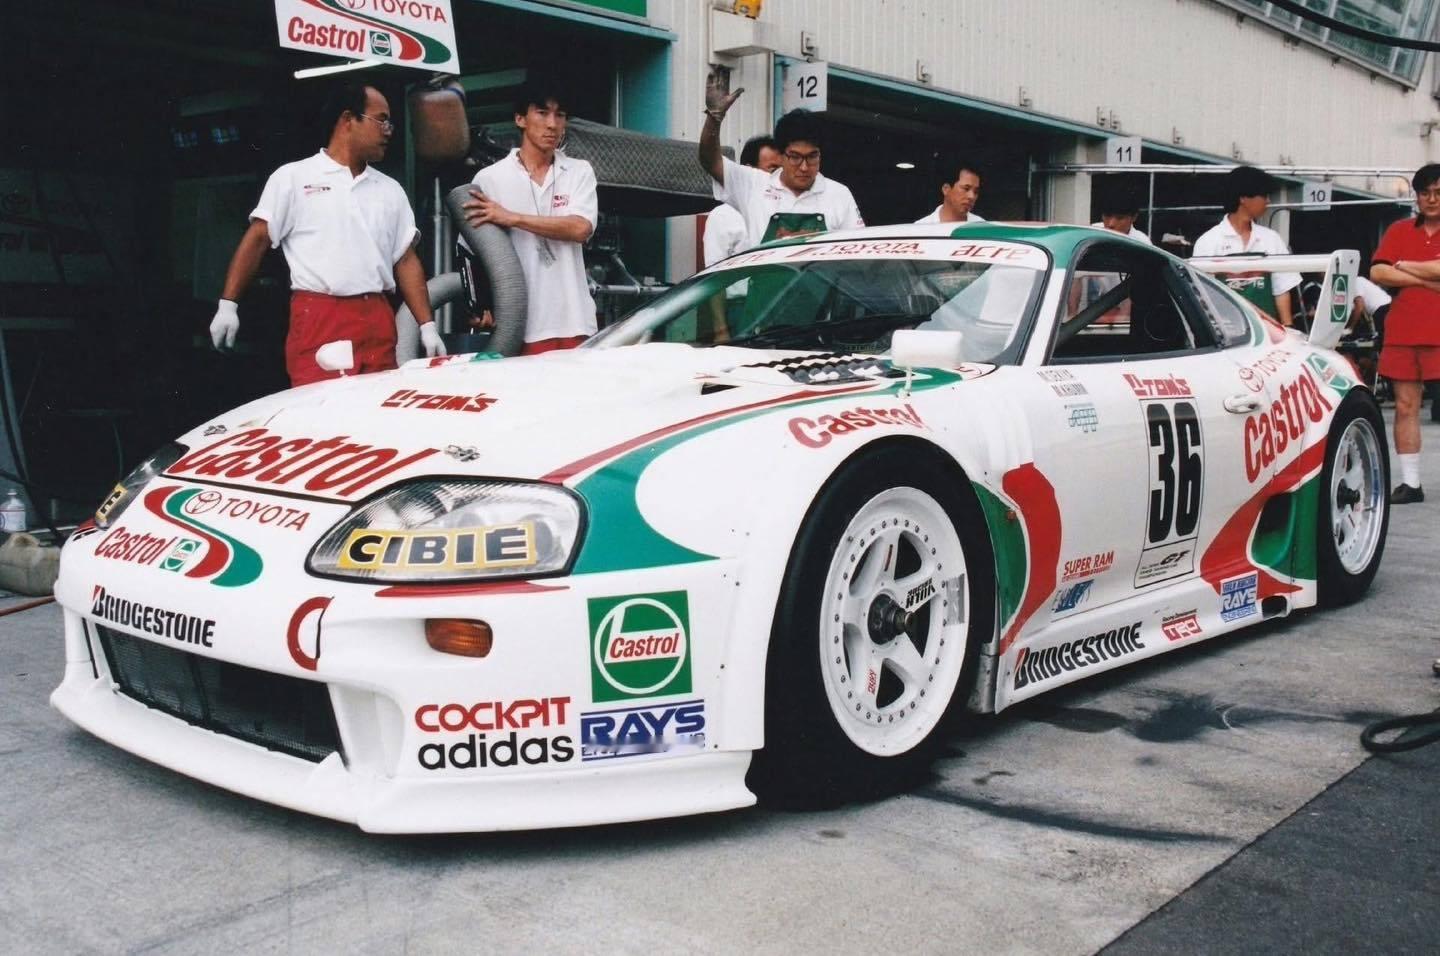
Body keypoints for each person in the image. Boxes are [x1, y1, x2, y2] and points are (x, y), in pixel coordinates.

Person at [210, 82, 445, 387]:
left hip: (377, 316)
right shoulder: (294, 177)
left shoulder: (390, 190)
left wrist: (427, 325)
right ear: (348, 119)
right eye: (381, 120)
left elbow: (405, 259)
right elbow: (258, 239)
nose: (388, 131)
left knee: (375, 405)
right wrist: (228, 305)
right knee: (320, 406)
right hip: (321, 314)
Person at [460, 78, 598, 355]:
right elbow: (469, 251)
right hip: (520, 325)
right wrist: (479, 305)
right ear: (520, 119)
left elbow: (580, 228)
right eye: (542, 113)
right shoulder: (490, 178)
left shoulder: (579, 171)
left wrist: (512, 218)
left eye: (560, 115)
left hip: (575, 321)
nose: (552, 124)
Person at [698, 72, 864, 248]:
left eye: (812, 156)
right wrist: (714, 118)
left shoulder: (839, 195)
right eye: (795, 157)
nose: (804, 167)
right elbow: (710, 161)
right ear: (781, 156)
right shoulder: (753, 185)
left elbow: (857, 249)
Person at [1368, 163, 1440, 503]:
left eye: (1438, 193)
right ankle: (1411, 484)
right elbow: (1378, 273)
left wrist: (1404, 265)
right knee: (1405, 405)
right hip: (1403, 332)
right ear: (1417, 197)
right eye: (1425, 193)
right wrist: (1428, 281)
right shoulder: (1398, 230)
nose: (1432, 199)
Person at [1192, 165, 1301, 328]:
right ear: (1243, 198)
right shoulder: (1209, 241)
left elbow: (1282, 290)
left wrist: (1288, 327)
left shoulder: (1271, 239)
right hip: (1227, 332)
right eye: (1264, 195)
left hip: (1267, 332)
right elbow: (1203, 295)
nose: (1268, 201)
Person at [703, 136, 781, 266]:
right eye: (773, 170)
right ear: (748, 170)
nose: (780, 177)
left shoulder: (788, 208)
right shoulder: (723, 216)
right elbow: (714, 268)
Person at [916, 160, 985, 225]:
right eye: (966, 189)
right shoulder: (921, 228)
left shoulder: (982, 227)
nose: (972, 196)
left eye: (976, 192)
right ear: (946, 189)